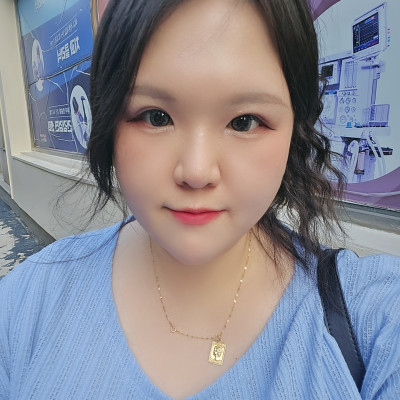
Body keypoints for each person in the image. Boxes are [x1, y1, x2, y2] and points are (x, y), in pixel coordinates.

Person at [1, 0, 399, 398]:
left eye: (244, 121)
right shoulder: (28, 299)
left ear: (296, 126)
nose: (196, 171)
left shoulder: (373, 317)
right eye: (156, 117)